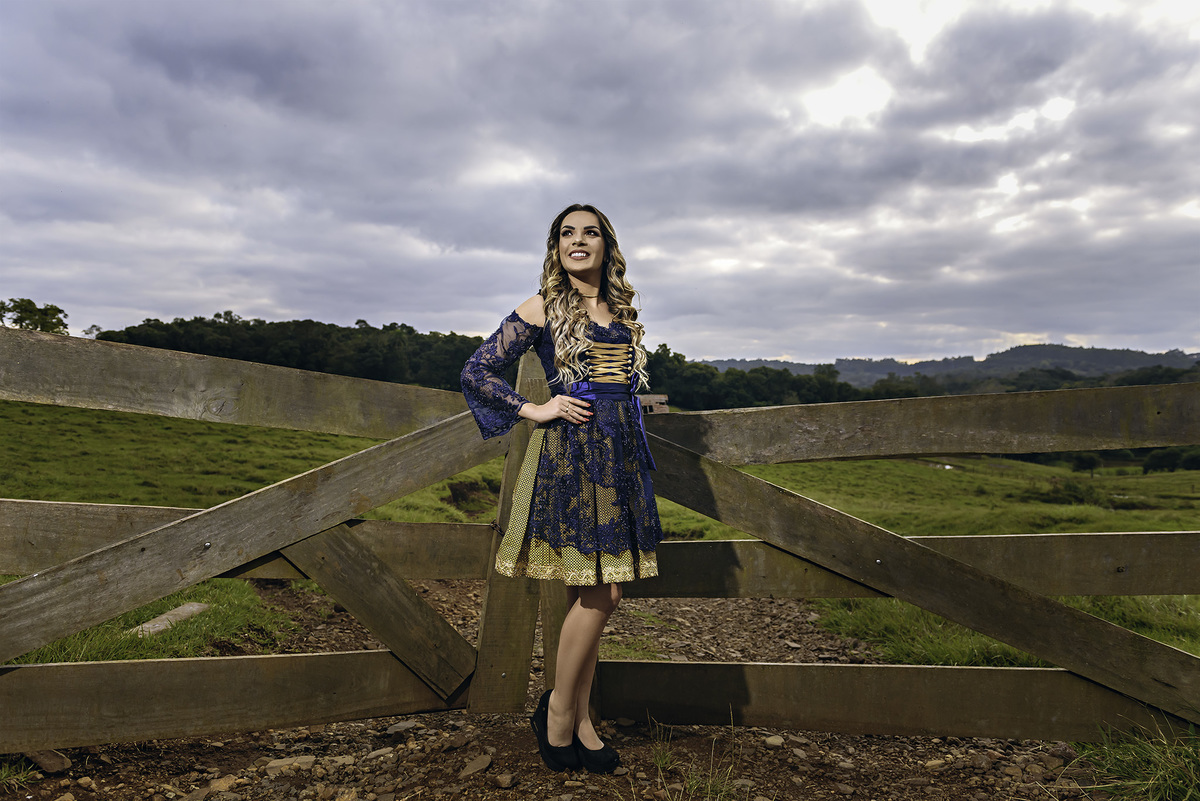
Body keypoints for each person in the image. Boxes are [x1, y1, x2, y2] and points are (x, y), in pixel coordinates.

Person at [461, 203, 663, 773]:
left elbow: (623, 388)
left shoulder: (618, 308)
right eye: (567, 233)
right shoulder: (544, 306)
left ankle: (580, 720)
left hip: (618, 460)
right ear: (556, 248)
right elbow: (476, 371)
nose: (578, 241)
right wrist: (535, 408)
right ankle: (556, 710)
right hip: (573, 458)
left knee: (591, 593)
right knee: (603, 595)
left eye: (589, 233)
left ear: (606, 245)